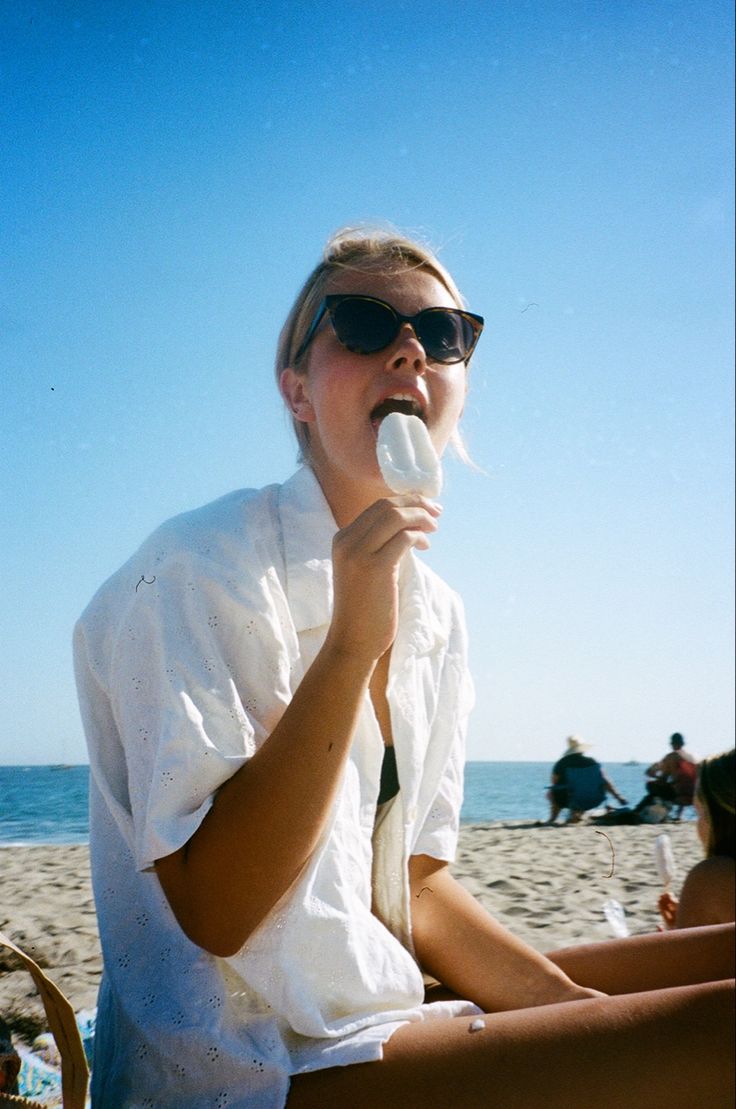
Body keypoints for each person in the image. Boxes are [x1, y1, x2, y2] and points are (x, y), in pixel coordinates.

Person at [74, 227, 734, 1109]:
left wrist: (578, 1013)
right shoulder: (201, 567)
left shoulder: (438, 611)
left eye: (445, 333)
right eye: (361, 322)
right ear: (296, 391)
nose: (410, 349)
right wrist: (350, 644)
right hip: (249, 1066)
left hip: (380, 1004)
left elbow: (414, 885)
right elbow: (218, 911)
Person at [659, 749, 735, 930]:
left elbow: (681, 958)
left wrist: (677, 934)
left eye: (699, 813)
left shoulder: (715, 876)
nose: (697, 826)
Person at [545, 736, 627, 824]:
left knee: (553, 792)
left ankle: (553, 818)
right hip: (595, 799)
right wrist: (618, 797)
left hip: (572, 799)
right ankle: (576, 815)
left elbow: (554, 783)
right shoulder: (593, 762)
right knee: (579, 791)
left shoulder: (562, 763)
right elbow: (606, 781)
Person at [637, 733, 699, 821]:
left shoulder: (671, 757)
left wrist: (654, 775)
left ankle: (648, 811)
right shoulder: (693, 757)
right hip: (694, 795)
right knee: (682, 784)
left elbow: (663, 778)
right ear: (683, 744)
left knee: (651, 785)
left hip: (679, 795)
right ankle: (678, 815)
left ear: (672, 744)